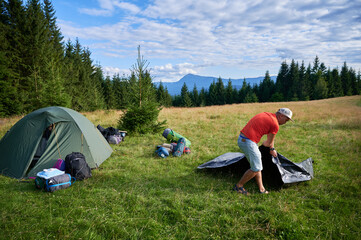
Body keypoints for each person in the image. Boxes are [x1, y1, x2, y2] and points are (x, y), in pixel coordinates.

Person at [234, 108, 293, 195]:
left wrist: (272, 148)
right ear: (281, 116)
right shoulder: (275, 124)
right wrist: (271, 149)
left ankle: (262, 189)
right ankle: (239, 186)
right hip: (248, 142)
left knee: (257, 165)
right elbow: (267, 143)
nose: (285, 122)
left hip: (243, 139)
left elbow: (270, 140)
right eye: (286, 120)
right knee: (256, 168)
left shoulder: (267, 115)